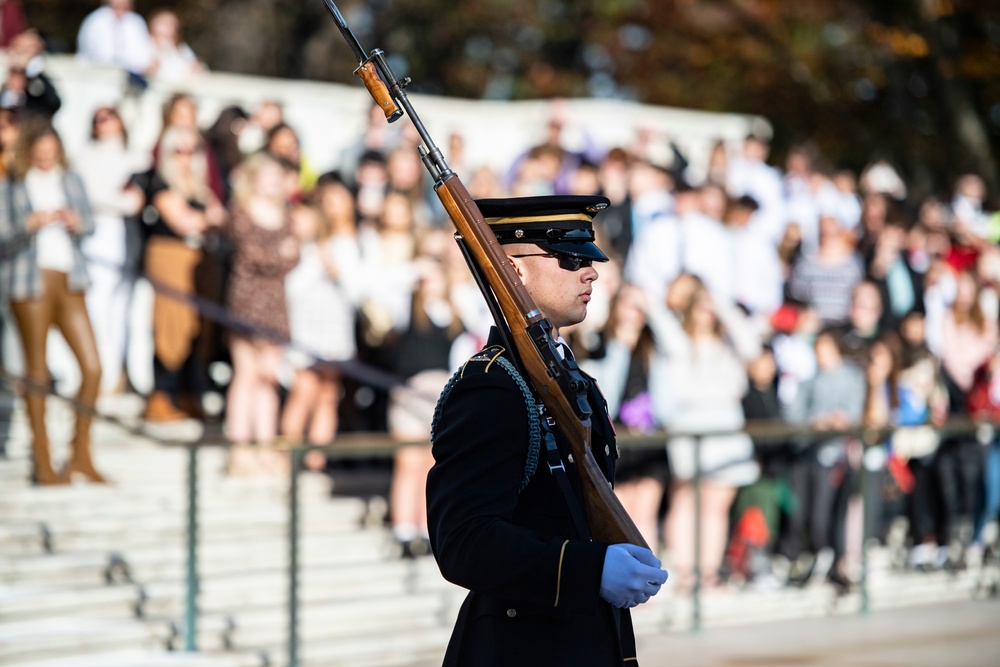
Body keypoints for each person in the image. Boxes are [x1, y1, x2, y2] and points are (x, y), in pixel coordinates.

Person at [426, 194, 667, 666]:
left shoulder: (572, 379)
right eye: (571, 258)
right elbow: (464, 540)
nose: (592, 271)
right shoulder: (492, 387)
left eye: (590, 258)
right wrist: (587, 570)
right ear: (515, 269)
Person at [0, 121, 105, 484]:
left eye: (51, 152)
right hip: (30, 281)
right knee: (37, 371)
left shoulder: (70, 180)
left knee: (92, 368)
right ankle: (42, 458)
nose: (46, 159)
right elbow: (3, 235)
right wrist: (29, 223)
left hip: (69, 277)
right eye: (40, 154)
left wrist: (77, 222)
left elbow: (90, 224)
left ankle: (80, 452)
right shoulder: (13, 184)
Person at [221, 151, 299, 474]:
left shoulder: (286, 215)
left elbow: (293, 256)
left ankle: (266, 445)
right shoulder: (241, 212)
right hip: (247, 302)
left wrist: (279, 256)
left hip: (276, 304)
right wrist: (278, 255)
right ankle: (239, 447)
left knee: (268, 378)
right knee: (246, 373)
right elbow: (252, 253)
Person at [75, 0, 153, 81]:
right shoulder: (96, 20)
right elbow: (102, 54)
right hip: (97, 76)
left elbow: (143, 52)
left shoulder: (135, 21)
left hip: (130, 77)